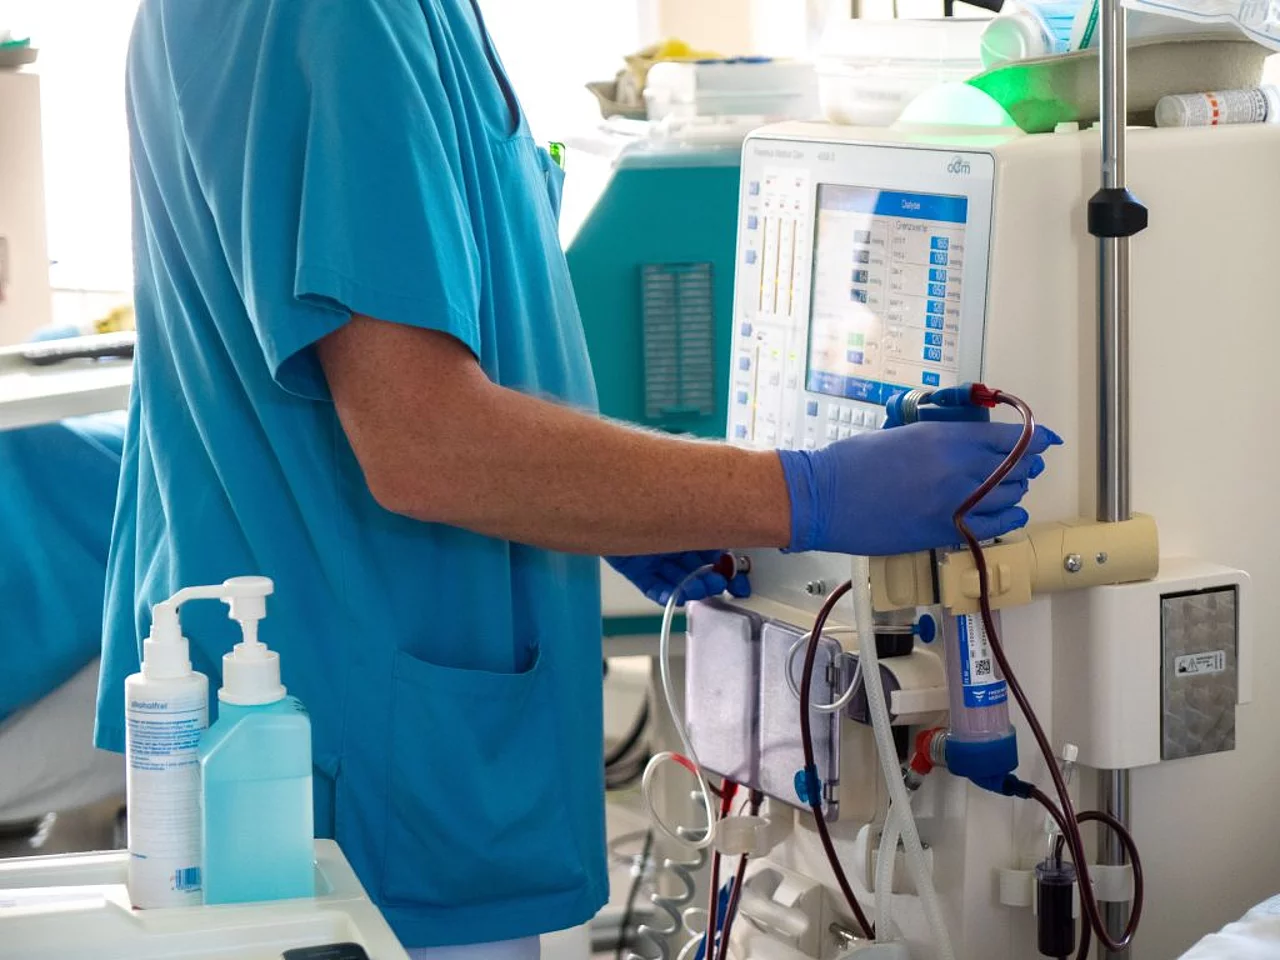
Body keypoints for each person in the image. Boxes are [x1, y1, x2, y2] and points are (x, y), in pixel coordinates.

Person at [94, 2, 1059, 958]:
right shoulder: (339, 20)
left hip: (362, 713)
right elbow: (426, 442)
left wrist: (632, 507)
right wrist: (806, 493)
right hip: (349, 746)